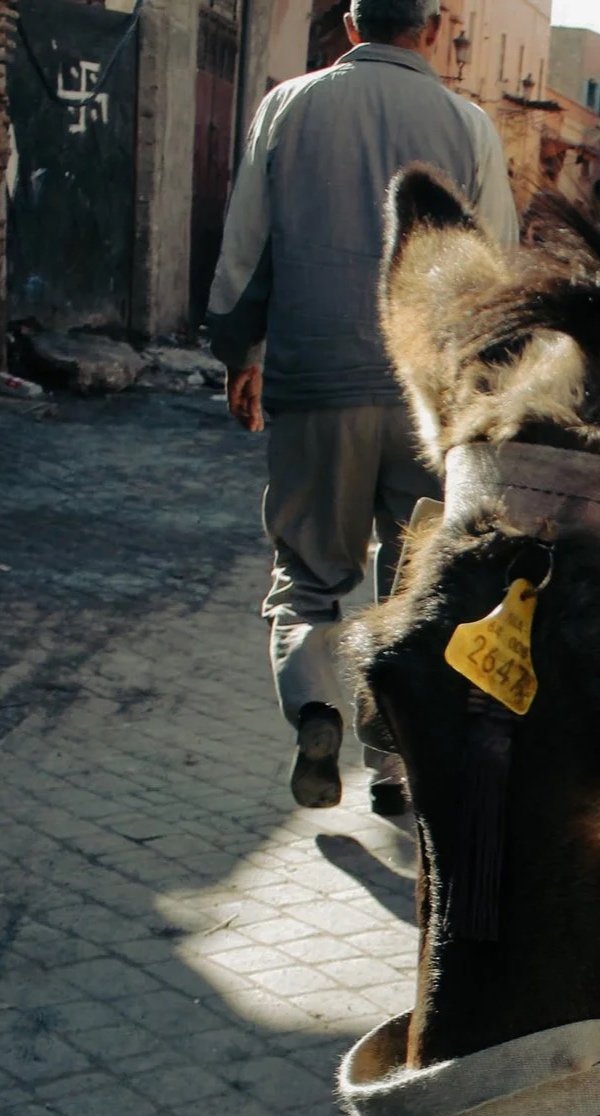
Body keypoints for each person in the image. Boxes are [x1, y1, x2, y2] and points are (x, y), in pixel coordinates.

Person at [205, 0, 518, 812]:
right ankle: (392, 760)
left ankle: (316, 712)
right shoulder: (469, 125)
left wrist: (240, 351)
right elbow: (501, 269)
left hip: (314, 385)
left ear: (350, 24)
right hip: (427, 399)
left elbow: (246, 245)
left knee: (308, 574)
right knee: (411, 584)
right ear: (434, 28)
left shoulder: (288, 106)